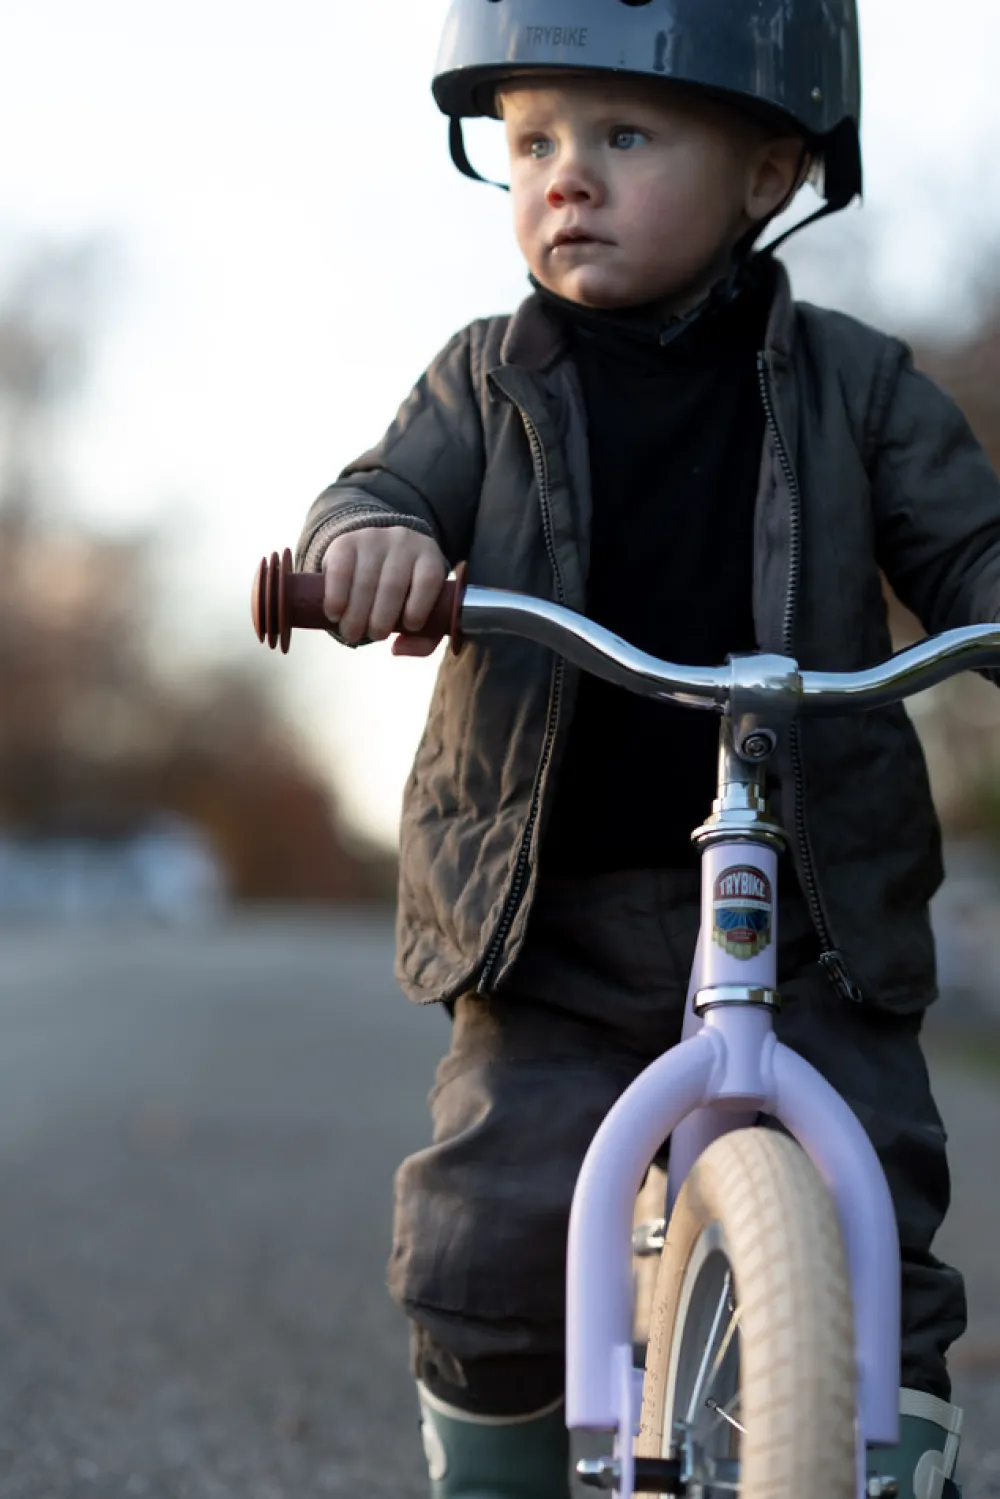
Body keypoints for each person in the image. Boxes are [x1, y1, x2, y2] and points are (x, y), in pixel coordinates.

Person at [295, 3, 992, 1494]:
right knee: (488, 1238)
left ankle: (877, 1449)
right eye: (533, 138)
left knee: (879, 1209)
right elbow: (376, 494)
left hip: (809, 918)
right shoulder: (484, 381)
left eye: (623, 134)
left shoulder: (860, 388)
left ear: (765, 171)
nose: (565, 177)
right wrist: (370, 549)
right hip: (556, 918)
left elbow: (973, 549)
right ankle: (495, 1459)